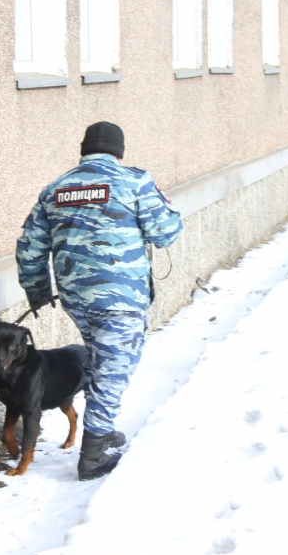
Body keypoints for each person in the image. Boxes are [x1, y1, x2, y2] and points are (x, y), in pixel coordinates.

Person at [16, 121, 184, 480]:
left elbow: (30, 247)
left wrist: (38, 290)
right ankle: (93, 453)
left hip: (77, 297)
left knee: (99, 360)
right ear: (119, 153)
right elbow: (167, 233)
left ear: (83, 150)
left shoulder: (56, 188)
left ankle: (101, 431)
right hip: (120, 297)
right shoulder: (134, 181)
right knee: (113, 368)